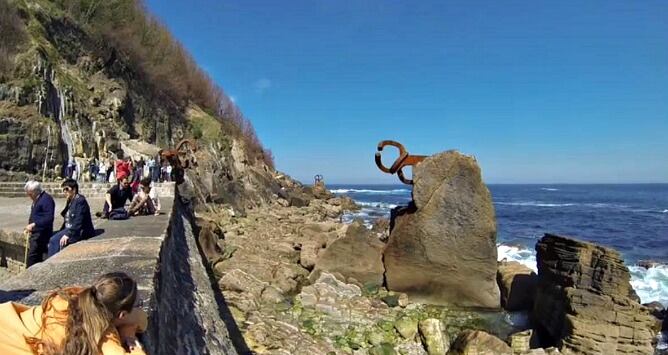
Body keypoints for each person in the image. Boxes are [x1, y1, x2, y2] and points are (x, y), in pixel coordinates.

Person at [0, 272, 148, 354]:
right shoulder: (104, 337)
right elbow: (142, 320)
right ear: (121, 315)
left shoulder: (71, 296)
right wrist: (129, 333)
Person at [48, 179, 95, 257]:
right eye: (63, 189)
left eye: (67, 189)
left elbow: (78, 221)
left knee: (55, 241)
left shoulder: (80, 201)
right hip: (69, 228)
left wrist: (68, 234)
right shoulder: (71, 200)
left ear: (74, 189)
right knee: (51, 237)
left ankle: (51, 263)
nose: (65, 192)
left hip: (78, 231)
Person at [24, 181, 55, 267]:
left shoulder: (46, 200)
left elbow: (49, 218)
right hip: (35, 232)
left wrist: (34, 225)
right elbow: (34, 214)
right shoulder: (36, 199)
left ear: (35, 191)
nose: (28, 196)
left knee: (32, 257)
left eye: (29, 194)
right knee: (34, 256)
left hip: (42, 233)